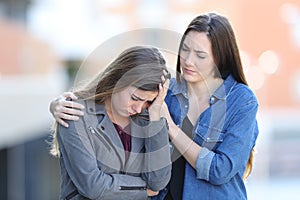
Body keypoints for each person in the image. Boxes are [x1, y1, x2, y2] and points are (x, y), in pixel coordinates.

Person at [50, 13, 259, 200]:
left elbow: (220, 170)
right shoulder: (164, 89)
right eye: (185, 49)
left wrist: (170, 127)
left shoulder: (241, 101)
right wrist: (59, 104)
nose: (188, 61)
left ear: (220, 59)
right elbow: (118, 92)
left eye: (200, 55)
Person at [50, 46, 172, 200]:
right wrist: (143, 189)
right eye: (135, 98)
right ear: (117, 80)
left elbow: (157, 182)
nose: (139, 108)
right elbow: (92, 186)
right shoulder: (75, 113)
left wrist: (155, 114)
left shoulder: (146, 120)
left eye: (148, 101)